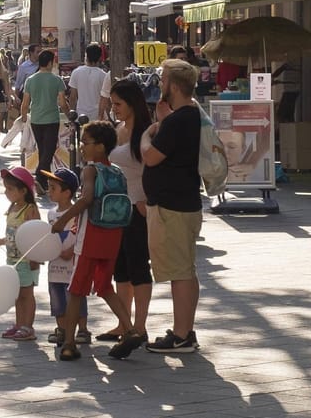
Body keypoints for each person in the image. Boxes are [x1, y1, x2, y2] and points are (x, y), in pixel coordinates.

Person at [140, 59, 206, 354]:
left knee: (179, 272)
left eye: (163, 79)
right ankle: (185, 332)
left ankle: (181, 336)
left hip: (173, 207)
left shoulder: (180, 120)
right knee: (186, 270)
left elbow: (151, 156)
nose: (159, 84)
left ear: (174, 86)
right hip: (182, 202)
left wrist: (147, 135)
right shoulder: (188, 115)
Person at [50, 122, 127, 363]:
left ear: (101, 146)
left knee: (75, 291)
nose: (81, 147)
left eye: (85, 143)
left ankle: (70, 343)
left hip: (91, 237)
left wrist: (63, 220)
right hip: (113, 236)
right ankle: (131, 329)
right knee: (104, 286)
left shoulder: (91, 170)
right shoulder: (116, 171)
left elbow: (87, 199)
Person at [102, 78, 156, 357]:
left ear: (133, 104)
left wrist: (146, 201)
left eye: (118, 104)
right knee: (120, 268)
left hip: (139, 207)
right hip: (117, 209)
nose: (115, 109)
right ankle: (123, 324)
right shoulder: (119, 129)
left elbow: (154, 170)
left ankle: (140, 325)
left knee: (138, 267)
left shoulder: (147, 133)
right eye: (112, 104)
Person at [0, 166, 40, 340]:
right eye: (5, 188)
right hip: (12, 259)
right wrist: (1, 241)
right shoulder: (12, 209)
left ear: (23, 190)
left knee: (27, 294)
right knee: (17, 295)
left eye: (10, 189)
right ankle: (19, 324)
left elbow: (36, 235)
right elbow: (12, 233)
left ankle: (28, 326)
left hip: (26, 261)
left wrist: (35, 258)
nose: (6, 192)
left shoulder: (30, 210)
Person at [37, 168, 86, 346]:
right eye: (49, 187)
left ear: (67, 192)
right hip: (54, 266)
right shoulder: (51, 214)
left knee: (76, 297)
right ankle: (62, 329)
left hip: (73, 266)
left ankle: (82, 329)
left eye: (53, 188)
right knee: (57, 299)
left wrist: (72, 250)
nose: (49, 192)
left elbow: (82, 235)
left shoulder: (77, 213)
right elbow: (47, 236)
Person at [20, 50, 66, 171]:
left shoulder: (30, 80)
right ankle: (41, 176)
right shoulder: (57, 80)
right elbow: (62, 102)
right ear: (50, 63)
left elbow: (25, 103)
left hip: (36, 119)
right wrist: (69, 114)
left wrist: (24, 116)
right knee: (49, 151)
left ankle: (44, 180)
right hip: (52, 120)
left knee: (43, 150)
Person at [66, 44, 112, 124]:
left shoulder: (76, 72)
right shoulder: (103, 75)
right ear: (99, 57)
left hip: (80, 115)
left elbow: (73, 97)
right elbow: (106, 100)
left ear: (86, 56)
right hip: (98, 116)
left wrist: (71, 115)